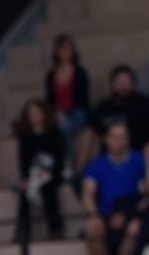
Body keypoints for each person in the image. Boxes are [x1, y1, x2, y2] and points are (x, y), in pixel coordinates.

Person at [81, 122, 146, 255]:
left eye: (123, 137)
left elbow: (145, 193)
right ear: (106, 139)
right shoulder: (97, 165)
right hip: (106, 214)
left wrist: (129, 214)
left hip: (131, 212)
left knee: (134, 228)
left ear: (128, 139)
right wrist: (94, 216)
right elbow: (88, 193)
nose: (119, 141)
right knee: (92, 228)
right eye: (115, 137)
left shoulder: (139, 161)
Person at [15, 98, 66, 240]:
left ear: (44, 114)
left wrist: (50, 172)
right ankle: (22, 232)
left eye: (37, 113)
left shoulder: (54, 133)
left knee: (48, 190)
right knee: (24, 193)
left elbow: (60, 157)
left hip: (52, 174)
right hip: (33, 174)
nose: (35, 117)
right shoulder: (25, 138)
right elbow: (24, 162)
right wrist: (25, 178)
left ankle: (55, 229)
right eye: (31, 114)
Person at [83, 65, 149, 159]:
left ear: (132, 84)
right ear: (112, 84)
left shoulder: (145, 104)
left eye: (126, 83)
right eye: (119, 83)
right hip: (108, 160)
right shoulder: (102, 108)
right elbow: (89, 132)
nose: (123, 86)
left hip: (138, 159)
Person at [45, 34, 90, 174]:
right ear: (57, 51)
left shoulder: (80, 73)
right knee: (52, 129)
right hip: (57, 113)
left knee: (63, 127)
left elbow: (83, 99)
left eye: (69, 49)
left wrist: (65, 114)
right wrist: (56, 113)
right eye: (62, 49)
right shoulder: (51, 75)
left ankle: (70, 165)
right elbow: (50, 100)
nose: (66, 52)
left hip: (77, 112)